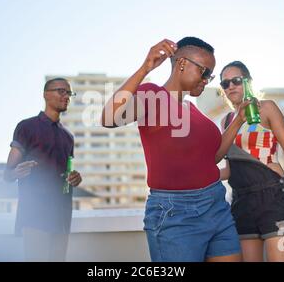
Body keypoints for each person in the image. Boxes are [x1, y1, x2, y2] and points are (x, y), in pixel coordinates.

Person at [101, 37, 251, 262]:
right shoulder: (154, 96)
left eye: (210, 75)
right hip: (176, 214)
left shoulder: (193, 110)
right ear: (182, 64)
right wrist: (146, 68)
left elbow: (213, 157)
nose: (207, 80)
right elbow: (109, 118)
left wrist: (238, 120)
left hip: (217, 206)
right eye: (204, 72)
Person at [219, 61, 284, 262]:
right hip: (242, 201)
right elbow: (229, 169)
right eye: (225, 83)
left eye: (235, 81)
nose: (230, 86)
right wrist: (192, 177)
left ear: (248, 82)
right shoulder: (227, 121)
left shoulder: (266, 108)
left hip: (274, 198)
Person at [4, 78, 82, 262]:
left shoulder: (68, 137)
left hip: (62, 216)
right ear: (46, 94)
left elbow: (66, 173)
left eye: (68, 93)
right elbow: (8, 175)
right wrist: (17, 172)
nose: (66, 96)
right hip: (35, 215)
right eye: (61, 91)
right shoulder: (26, 127)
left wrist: (75, 178)